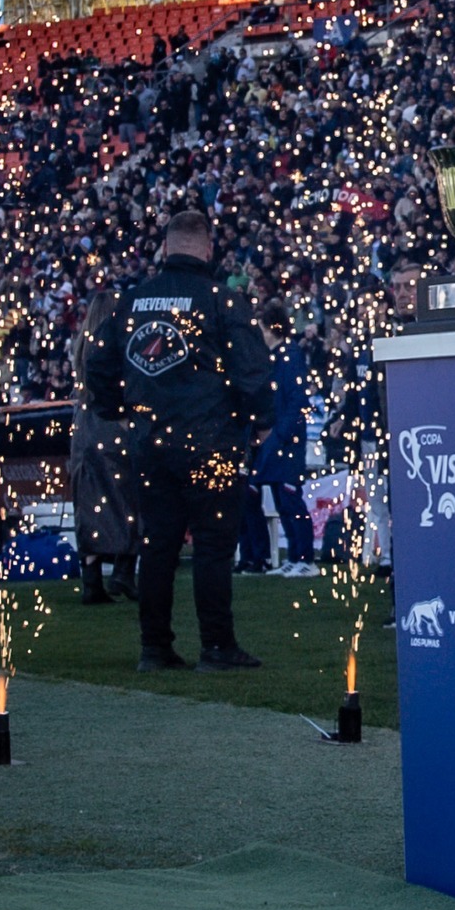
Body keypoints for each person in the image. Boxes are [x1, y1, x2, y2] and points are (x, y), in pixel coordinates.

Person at [86, 209, 274, 672]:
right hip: (212, 441)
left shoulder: (131, 301)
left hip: (151, 444)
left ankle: (154, 648)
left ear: (165, 247)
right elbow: (252, 369)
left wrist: (117, 411)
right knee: (212, 546)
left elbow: (98, 363)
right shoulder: (222, 301)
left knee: (158, 546)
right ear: (208, 248)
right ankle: (217, 646)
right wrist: (261, 421)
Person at [68, 289, 139, 605]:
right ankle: (124, 569)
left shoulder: (81, 344)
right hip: (112, 424)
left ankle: (91, 582)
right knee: (130, 497)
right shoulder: (115, 343)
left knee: (89, 504)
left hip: (84, 426)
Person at [238, 307, 318, 578]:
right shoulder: (274, 357)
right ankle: (294, 557)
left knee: (291, 497)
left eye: (261, 328)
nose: (259, 334)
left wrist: (280, 433)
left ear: (273, 328)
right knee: (282, 500)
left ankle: (306, 559)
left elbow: (297, 400)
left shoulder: (291, 356)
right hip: (276, 439)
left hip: (288, 440)